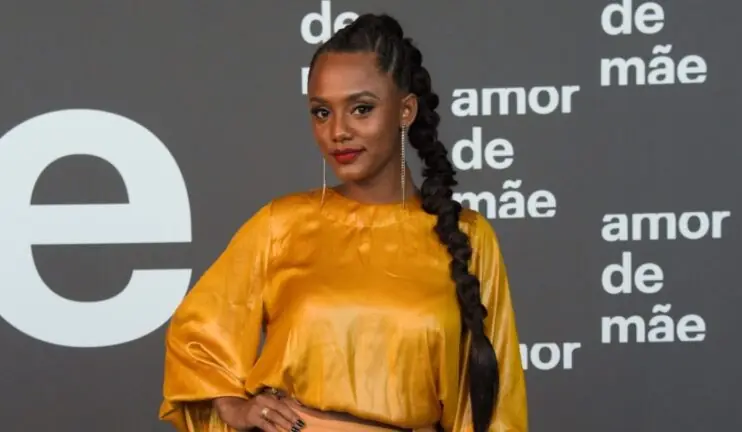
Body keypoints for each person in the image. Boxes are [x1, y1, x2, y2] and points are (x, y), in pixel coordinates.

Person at [159, 13, 528, 432]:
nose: (337, 131)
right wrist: (234, 406)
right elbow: (196, 338)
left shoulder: (468, 236)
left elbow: (495, 408)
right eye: (321, 112)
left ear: (406, 110)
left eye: (361, 109)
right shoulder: (281, 224)